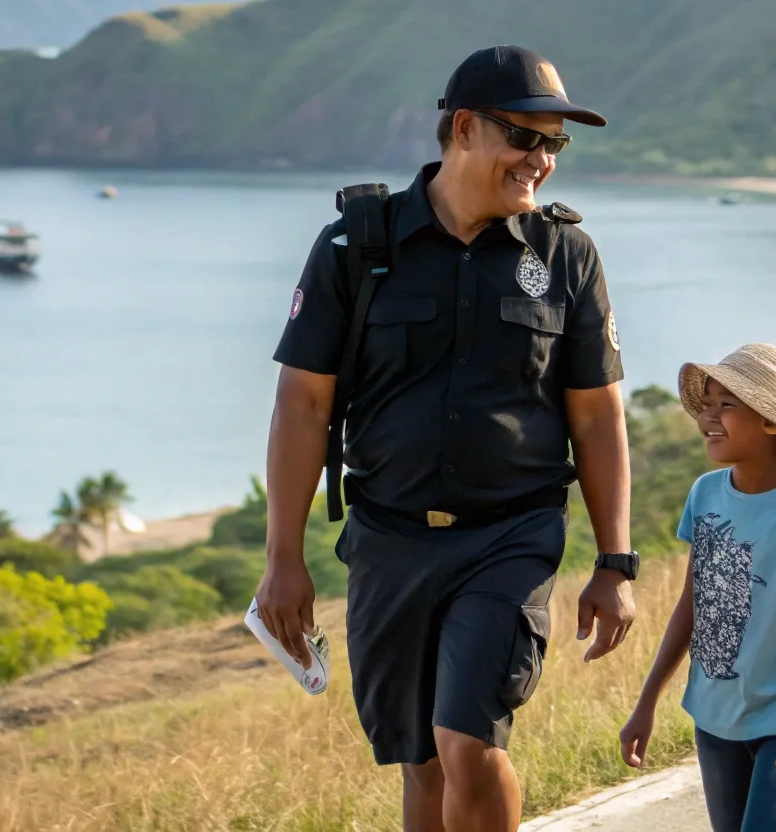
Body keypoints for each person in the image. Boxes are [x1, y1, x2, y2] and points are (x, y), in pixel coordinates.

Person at [255, 45, 639, 832]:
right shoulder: (355, 248)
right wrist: (282, 558)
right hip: (388, 540)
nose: (540, 160)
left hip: (512, 537)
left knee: (467, 739)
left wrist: (615, 562)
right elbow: (302, 406)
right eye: (525, 138)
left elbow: (597, 417)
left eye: (554, 145)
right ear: (464, 128)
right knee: (421, 760)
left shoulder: (565, 255)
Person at [620, 343, 776, 832]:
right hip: (713, 717)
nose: (709, 415)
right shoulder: (704, 493)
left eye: (728, 404)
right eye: (707, 402)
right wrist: (646, 704)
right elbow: (691, 606)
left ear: (773, 421)